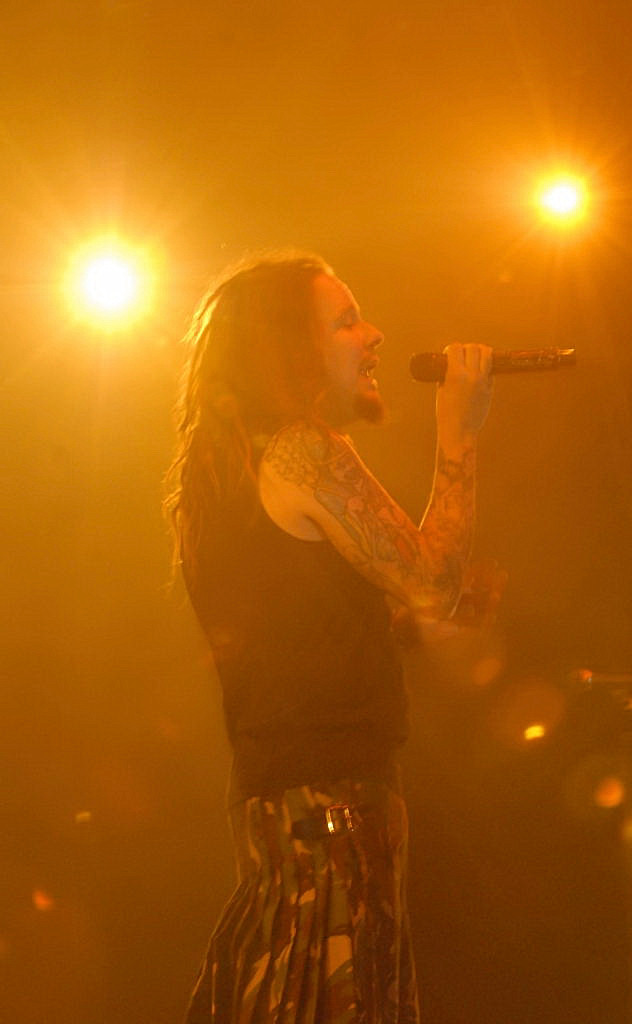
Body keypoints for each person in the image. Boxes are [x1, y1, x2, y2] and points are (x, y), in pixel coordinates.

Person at [165, 251, 493, 1024]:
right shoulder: (303, 448)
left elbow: (298, 640)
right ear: (290, 348)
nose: (373, 335)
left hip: (288, 804)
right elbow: (430, 579)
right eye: (345, 321)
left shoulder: (240, 465)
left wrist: (407, 628)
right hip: (331, 804)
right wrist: (460, 430)